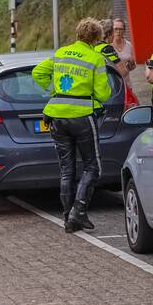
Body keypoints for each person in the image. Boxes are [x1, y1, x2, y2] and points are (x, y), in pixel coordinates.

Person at [32, 18, 112, 234]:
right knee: (92, 167)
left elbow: (37, 72)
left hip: (57, 116)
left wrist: (55, 91)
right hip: (82, 117)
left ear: (78, 34)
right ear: (96, 38)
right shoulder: (95, 58)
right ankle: (79, 209)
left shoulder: (61, 53)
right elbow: (104, 94)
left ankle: (69, 219)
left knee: (67, 169)